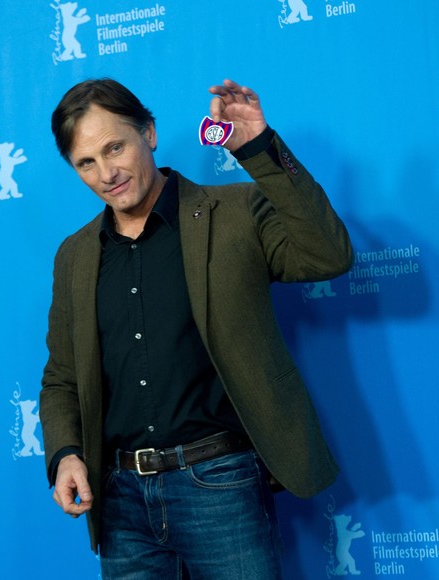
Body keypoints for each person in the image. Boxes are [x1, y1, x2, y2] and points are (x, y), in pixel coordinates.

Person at [40, 77, 353, 579]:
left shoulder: (235, 212)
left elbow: (329, 254)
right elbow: (61, 379)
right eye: (86, 162)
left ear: (150, 133)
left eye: (115, 147)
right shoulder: (74, 256)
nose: (107, 173)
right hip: (120, 504)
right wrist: (65, 454)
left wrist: (257, 147)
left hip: (220, 485)